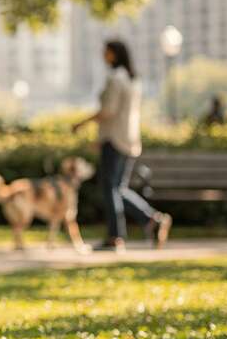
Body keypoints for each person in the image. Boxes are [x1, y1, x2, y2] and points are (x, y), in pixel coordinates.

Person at [72, 40, 172, 253]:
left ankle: (115, 237)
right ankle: (152, 220)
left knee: (111, 190)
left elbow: (108, 111)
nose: (103, 56)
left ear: (114, 54)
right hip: (130, 138)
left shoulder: (115, 79)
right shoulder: (133, 80)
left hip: (114, 139)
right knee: (119, 189)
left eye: (105, 52)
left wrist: (82, 124)